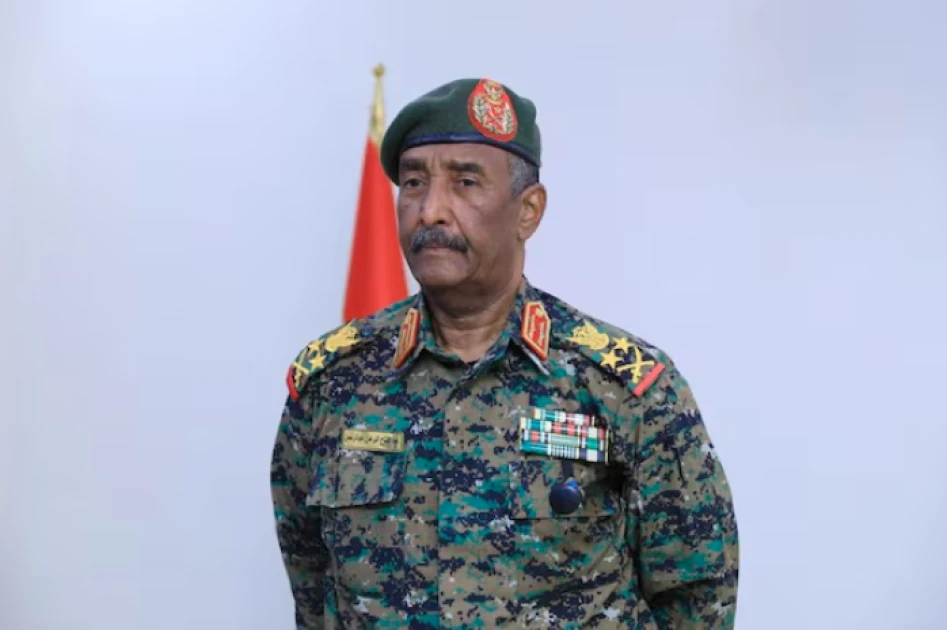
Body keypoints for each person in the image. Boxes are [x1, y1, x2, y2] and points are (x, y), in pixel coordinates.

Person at [271, 77, 739, 629]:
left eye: (465, 182)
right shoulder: (333, 383)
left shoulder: (624, 389)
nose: (431, 211)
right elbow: (313, 587)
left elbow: (696, 597)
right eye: (414, 183)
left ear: (528, 211)